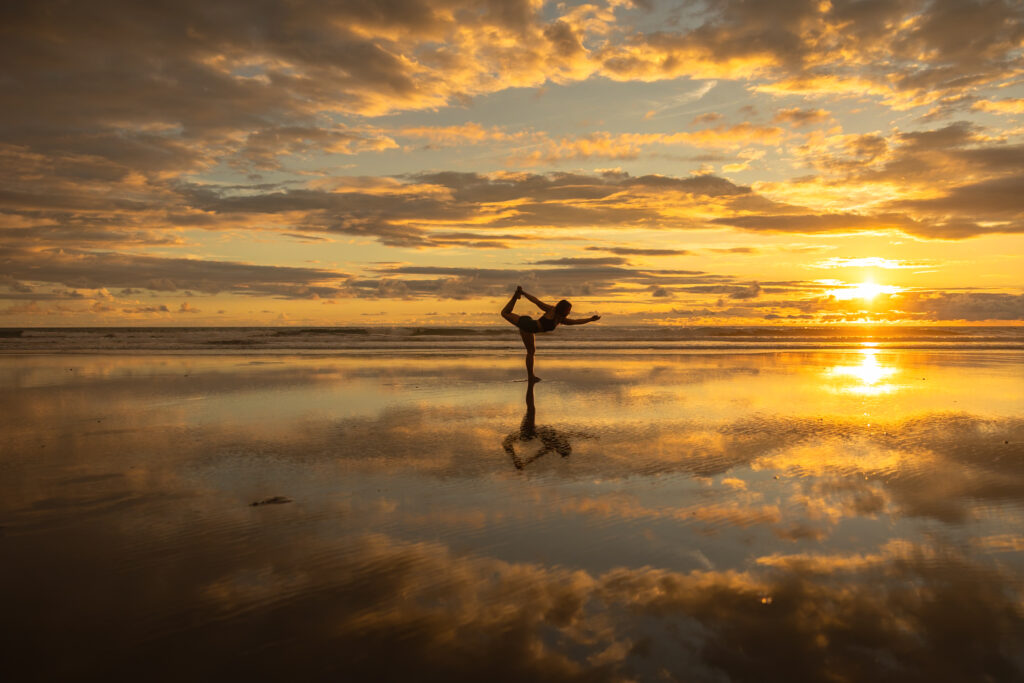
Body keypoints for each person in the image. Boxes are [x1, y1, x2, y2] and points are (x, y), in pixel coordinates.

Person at [500, 285, 600, 382]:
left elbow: (576, 321)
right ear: (562, 308)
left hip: (530, 325)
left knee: (531, 351)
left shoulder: (561, 320)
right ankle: (531, 376)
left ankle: (531, 376)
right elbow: (537, 302)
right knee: (505, 313)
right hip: (527, 326)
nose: (569, 312)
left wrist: (590, 319)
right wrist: (524, 293)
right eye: (568, 309)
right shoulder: (552, 311)